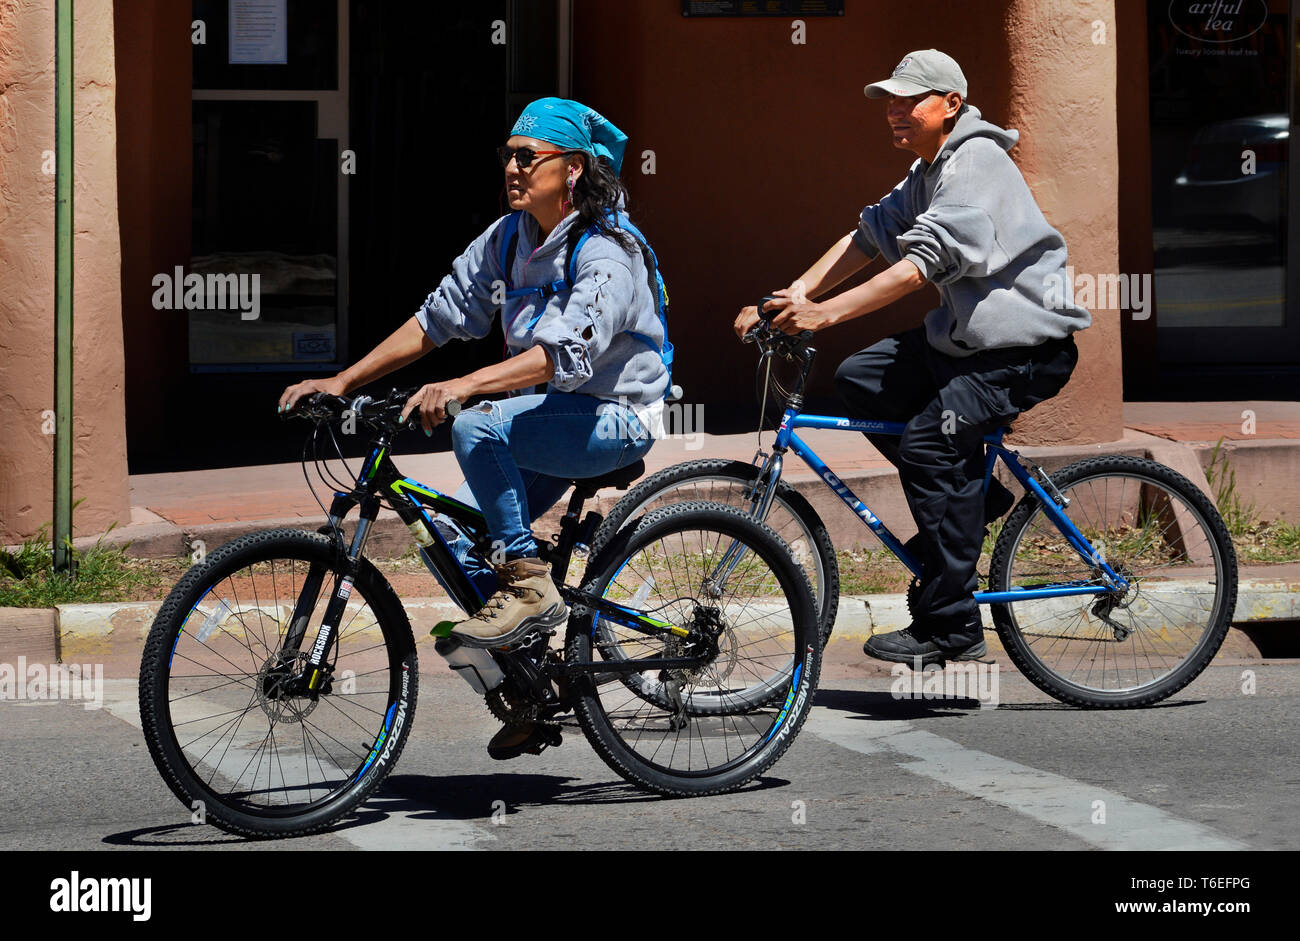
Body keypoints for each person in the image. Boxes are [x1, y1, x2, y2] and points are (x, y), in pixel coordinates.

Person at [281, 97, 668, 752]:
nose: (512, 167)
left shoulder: (607, 249)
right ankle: (530, 682)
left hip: (615, 417)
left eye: (528, 156)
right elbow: (436, 319)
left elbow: (563, 354)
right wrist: (343, 381)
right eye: (507, 155)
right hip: (552, 416)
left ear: (572, 168)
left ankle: (528, 585)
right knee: (453, 537)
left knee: (479, 425)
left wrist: (464, 386)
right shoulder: (508, 238)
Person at [733, 50, 1091, 667]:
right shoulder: (929, 168)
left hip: (1019, 352)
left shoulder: (976, 162)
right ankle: (971, 501)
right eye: (889, 103)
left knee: (929, 444)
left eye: (910, 101)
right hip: (960, 343)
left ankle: (953, 627)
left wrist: (828, 314)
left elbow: (921, 264)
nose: (895, 113)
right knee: (862, 378)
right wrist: (794, 295)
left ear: (951, 104)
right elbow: (870, 235)